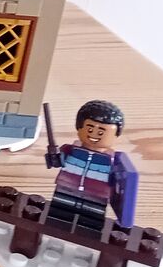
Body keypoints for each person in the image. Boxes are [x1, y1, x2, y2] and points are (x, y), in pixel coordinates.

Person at [43, 99, 138, 233]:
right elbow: (57, 162)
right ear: (79, 128)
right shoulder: (70, 149)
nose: (94, 135)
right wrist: (53, 156)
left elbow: (121, 181)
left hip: (97, 195)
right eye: (90, 129)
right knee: (58, 217)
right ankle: (53, 236)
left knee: (90, 224)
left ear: (115, 135)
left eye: (101, 132)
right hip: (66, 189)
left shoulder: (113, 160)